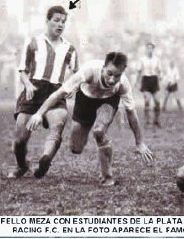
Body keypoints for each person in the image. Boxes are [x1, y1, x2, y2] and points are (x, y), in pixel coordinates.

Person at [26, 52, 154, 186]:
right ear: (103, 68)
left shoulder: (123, 84)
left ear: (122, 73)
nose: (112, 79)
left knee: (99, 131)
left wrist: (139, 142)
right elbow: (59, 93)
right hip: (85, 100)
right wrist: (39, 114)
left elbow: (131, 113)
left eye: (117, 75)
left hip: (108, 101)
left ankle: (107, 177)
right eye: (109, 73)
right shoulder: (89, 71)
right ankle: (83, 131)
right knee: (76, 148)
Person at [12, 6, 78, 179]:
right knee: (19, 140)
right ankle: (22, 166)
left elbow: (76, 73)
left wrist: (72, 87)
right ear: (47, 21)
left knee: (57, 127)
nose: (60, 24)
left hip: (55, 92)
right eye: (56, 20)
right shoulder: (33, 42)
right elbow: (22, 70)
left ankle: (45, 160)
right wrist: (27, 85)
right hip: (33, 91)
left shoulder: (69, 48)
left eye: (63, 21)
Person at [135, 42, 162, 127]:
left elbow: (159, 70)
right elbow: (139, 71)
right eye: (148, 48)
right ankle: (147, 121)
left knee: (157, 102)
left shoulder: (157, 59)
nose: (150, 50)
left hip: (154, 80)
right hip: (146, 80)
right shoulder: (142, 59)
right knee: (147, 100)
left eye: (151, 48)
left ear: (153, 49)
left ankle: (156, 120)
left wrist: (160, 77)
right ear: (146, 49)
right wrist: (137, 82)